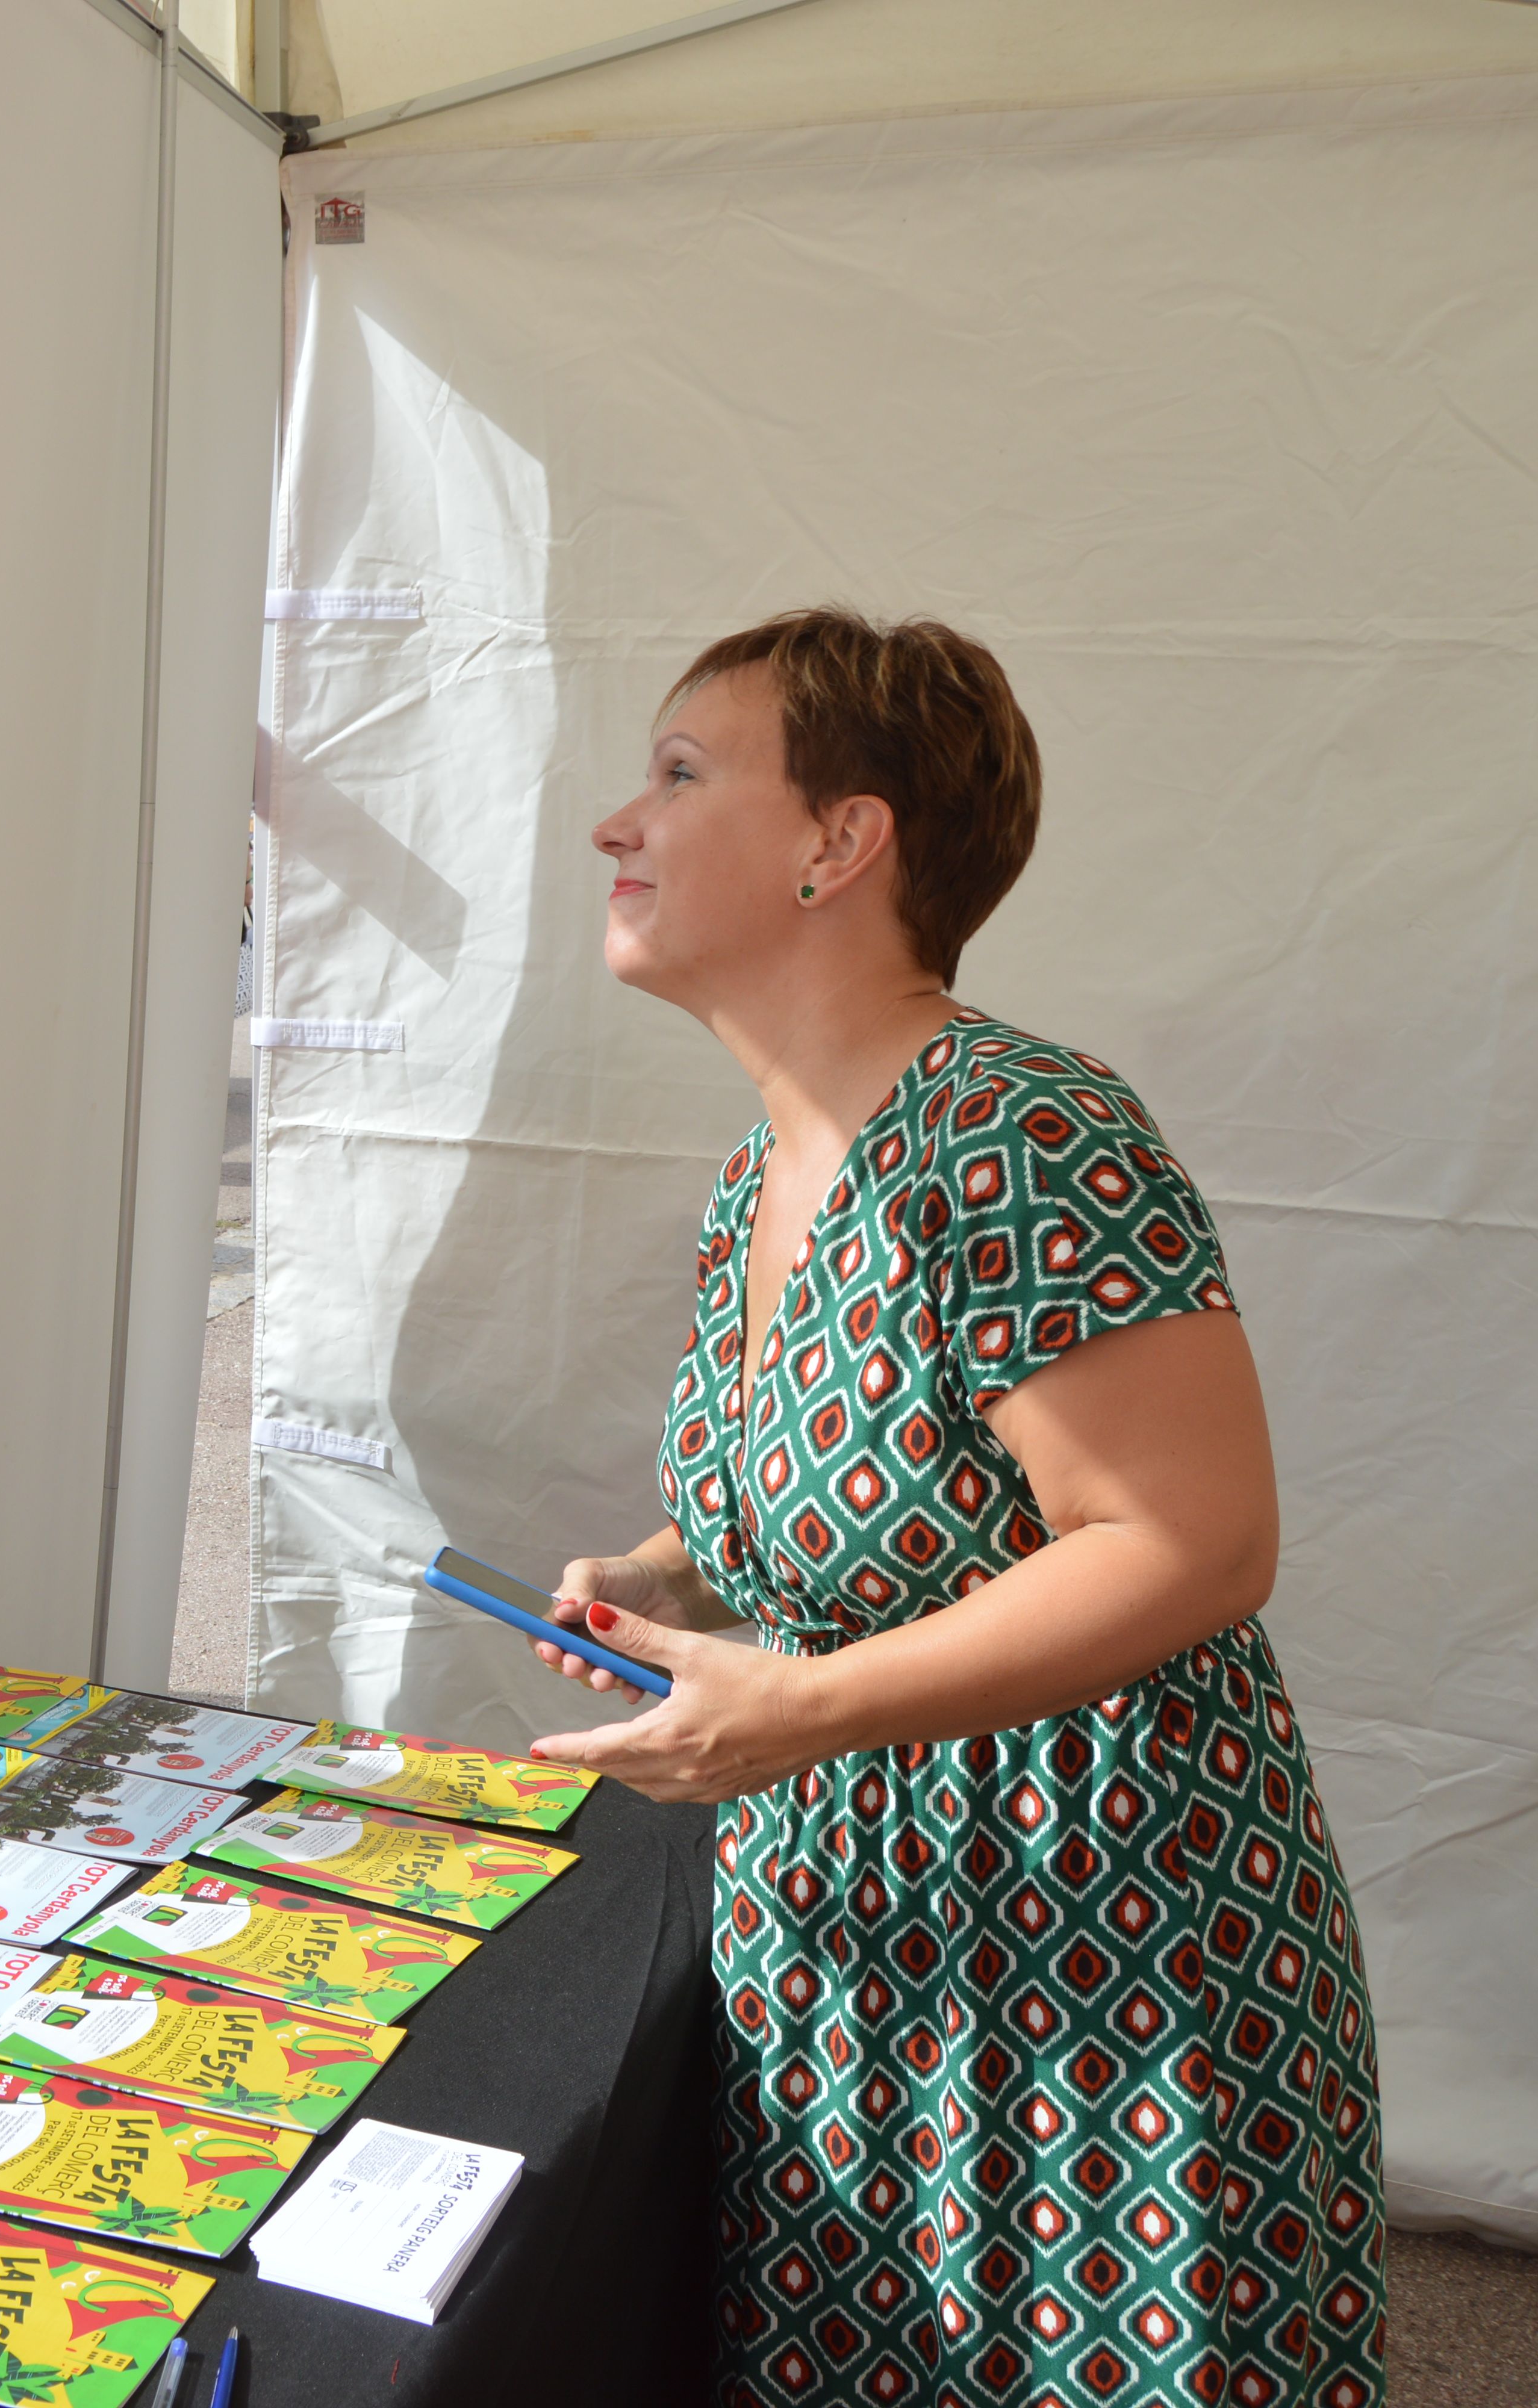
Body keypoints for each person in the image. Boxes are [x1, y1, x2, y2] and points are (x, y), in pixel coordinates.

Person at [524, 608, 1380, 2406]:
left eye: (680, 774)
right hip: (861, 1941)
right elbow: (877, 1486)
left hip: (1093, 1963)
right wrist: (665, 1567)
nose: (618, 820)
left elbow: (1190, 1538)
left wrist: (803, 1702)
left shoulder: (1017, 1132)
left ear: (841, 842)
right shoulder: (766, 1166)